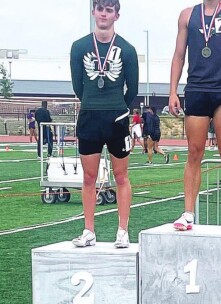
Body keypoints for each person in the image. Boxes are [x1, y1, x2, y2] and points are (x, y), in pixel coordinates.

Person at [168, 0, 221, 232]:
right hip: (196, 89)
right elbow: (178, 55)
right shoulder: (187, 15)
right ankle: (188, 213)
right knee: (194, 152)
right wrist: (172, 90)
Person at [69, 0, 139, 248]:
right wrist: (93, 102)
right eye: (100, 9)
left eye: (109, 10)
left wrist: (117, 105)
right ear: (93, 12)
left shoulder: (127, 50)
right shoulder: (79, 47)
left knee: (121, 176)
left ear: (116, 16)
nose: (104, 14)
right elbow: (78, 86)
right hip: (89, 117)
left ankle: (123, 230)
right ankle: (89, 230)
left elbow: (134, 88)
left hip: (117, 118)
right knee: (89, 177)